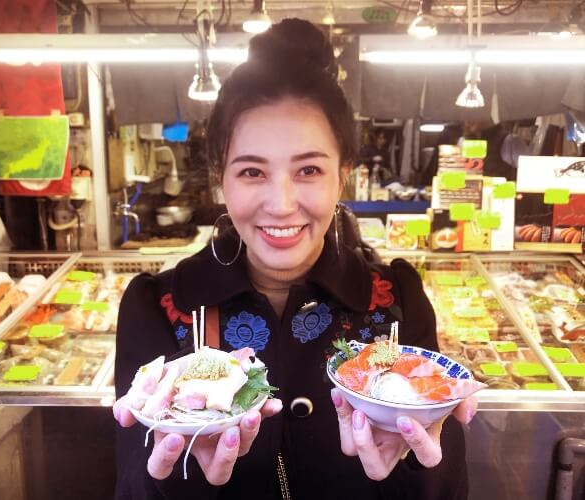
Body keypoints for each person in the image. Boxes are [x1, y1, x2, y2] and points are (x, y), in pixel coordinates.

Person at [112, 18, 477, 500]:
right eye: (251, 172)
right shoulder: (159, 308)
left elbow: (448, 488)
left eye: (308, 169)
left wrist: (416, 468)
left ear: (342, 174)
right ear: (221, 178)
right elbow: (131, 485)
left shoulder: (395, 305)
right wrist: (179, 481)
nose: (282, 204)